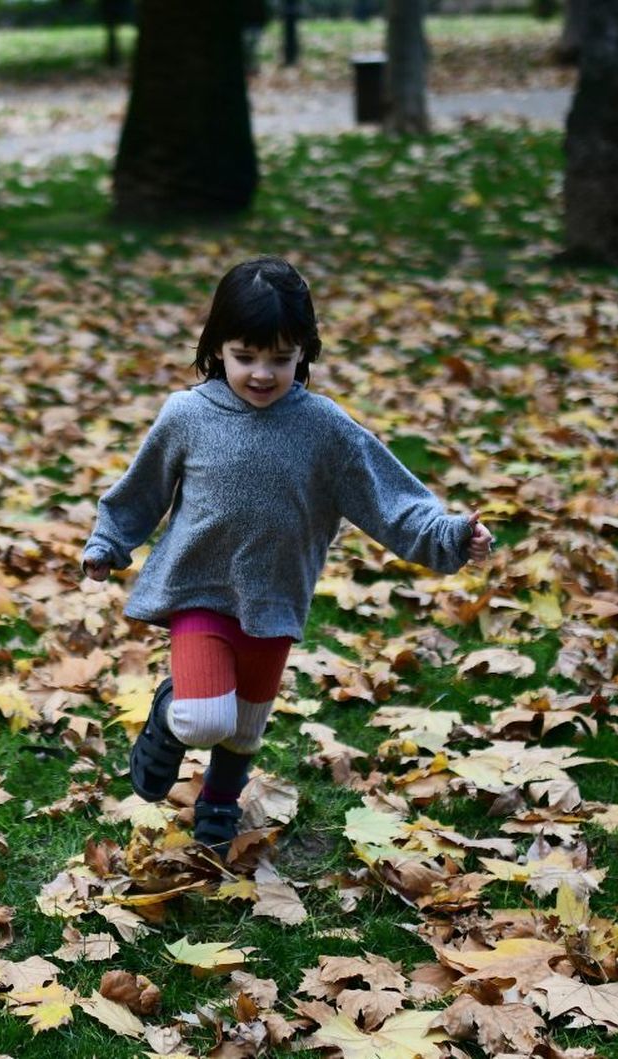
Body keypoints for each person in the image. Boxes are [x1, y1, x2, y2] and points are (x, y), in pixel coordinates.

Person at [82, 257, 493, 853]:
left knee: (245, 727)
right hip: (199, 590)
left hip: (274, 598)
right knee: (206, 720)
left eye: (281, 357)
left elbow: (389, 497)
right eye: (246, 356)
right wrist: (108, 543)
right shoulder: (188, 414)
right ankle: (169, 715)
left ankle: (219, 803)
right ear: (216, 346)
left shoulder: (323, 428)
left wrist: (451, 535)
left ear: (305, 350)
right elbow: (141, 491)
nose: (262, 373)